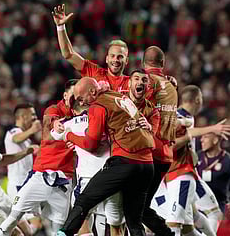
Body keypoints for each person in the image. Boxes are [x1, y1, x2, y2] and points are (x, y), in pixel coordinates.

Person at [56, 77, 156, 236]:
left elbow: (90, 144)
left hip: (119, 166)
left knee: (85, 203)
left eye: (81, 98)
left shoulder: (98, 106)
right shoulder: (119, 97)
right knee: (132, 222)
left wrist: (70, 136)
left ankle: (63, 233)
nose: (81, 102)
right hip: (144, 164)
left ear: (93, 92)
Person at [0, 79, 78, 236]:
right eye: (74, 95)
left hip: (63, 180)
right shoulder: (53, 111)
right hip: (32, 178)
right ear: (65, 95)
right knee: (16, 218)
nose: (77, 99)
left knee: (53, 227)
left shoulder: (83, 115)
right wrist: (52, 126)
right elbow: (50, 122)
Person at [153, 85, 230, 236]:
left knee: (196, 219)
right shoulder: (179, 118)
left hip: (187, 172)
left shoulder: (187, 117)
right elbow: (172, 145)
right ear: (198, 100)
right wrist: (211, 129)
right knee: (178, 223)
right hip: (178, 174)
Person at [141, 46, 180, 236]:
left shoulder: (147, 83)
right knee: (141, 206)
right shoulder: (172, 86)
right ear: (163, 64)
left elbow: (139, 106)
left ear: (142, 63)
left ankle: (167, 233)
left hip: (149, 152)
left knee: (134, 206)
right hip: (165, 154)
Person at [52, 4, 129, 93]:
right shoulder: (95, 72)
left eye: (120, 57)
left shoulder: (132, 83)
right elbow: (68, 54)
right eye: (113, 56)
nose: (115, 60)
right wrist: (60, 27)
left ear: (126, 60)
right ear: (107, 58)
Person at [4, 103, 43, 232]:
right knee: (28, 226)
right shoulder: (13, 132)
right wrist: (32, 130)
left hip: (26, 185)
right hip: (18, 185)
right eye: (32, 114)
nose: (34, 117)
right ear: (22, 116)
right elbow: (16, 139)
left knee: (34, 225)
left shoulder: (26, 139)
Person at [197, 132, 230, 218]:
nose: (201, 140)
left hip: (217, 209)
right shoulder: (196, 157)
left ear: (215, 140)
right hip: (197, 207)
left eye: (206, 137)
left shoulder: (228, 161)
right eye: (202, 137)